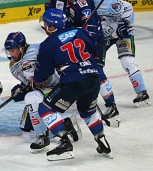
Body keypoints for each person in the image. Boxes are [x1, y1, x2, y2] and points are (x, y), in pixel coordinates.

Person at [32, 9, 112, 161]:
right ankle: (102, 140)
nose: (44, 27)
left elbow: (42, 74)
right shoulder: (81, 32)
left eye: (46, 24)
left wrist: (36, 81)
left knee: (45, 108)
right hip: (94, 77)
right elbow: (96, 49)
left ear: (51, 27)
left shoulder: (48, 44)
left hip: (73, 80)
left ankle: (64, 143)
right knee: (88, 111)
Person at [44, 0, 120, 127]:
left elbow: (92, 30)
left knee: (96, 71)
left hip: (90, 41)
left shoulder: (82, 4)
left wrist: (86, 46)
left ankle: (111, 105)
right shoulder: (57, 2)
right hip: (70, 43)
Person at [4, 32, 82, 153]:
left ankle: (43, 136)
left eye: (14, 50)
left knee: (31, 97)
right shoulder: (13, 65)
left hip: (58, 87)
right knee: (28, 135)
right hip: (41, 91)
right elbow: (29, 82)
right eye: (9, 51)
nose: (12, 54)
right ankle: (65, 125)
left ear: (22, 47)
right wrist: (20, 89)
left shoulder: (37, 49)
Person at [95, 0, 150, 107]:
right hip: (102, 37)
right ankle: (90, 94)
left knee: (128, 61)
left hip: (121, 36)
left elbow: (128, 7)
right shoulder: (92, 3)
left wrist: (124, 23)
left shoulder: (119, 4)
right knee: (94, 64)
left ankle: (142, 92)